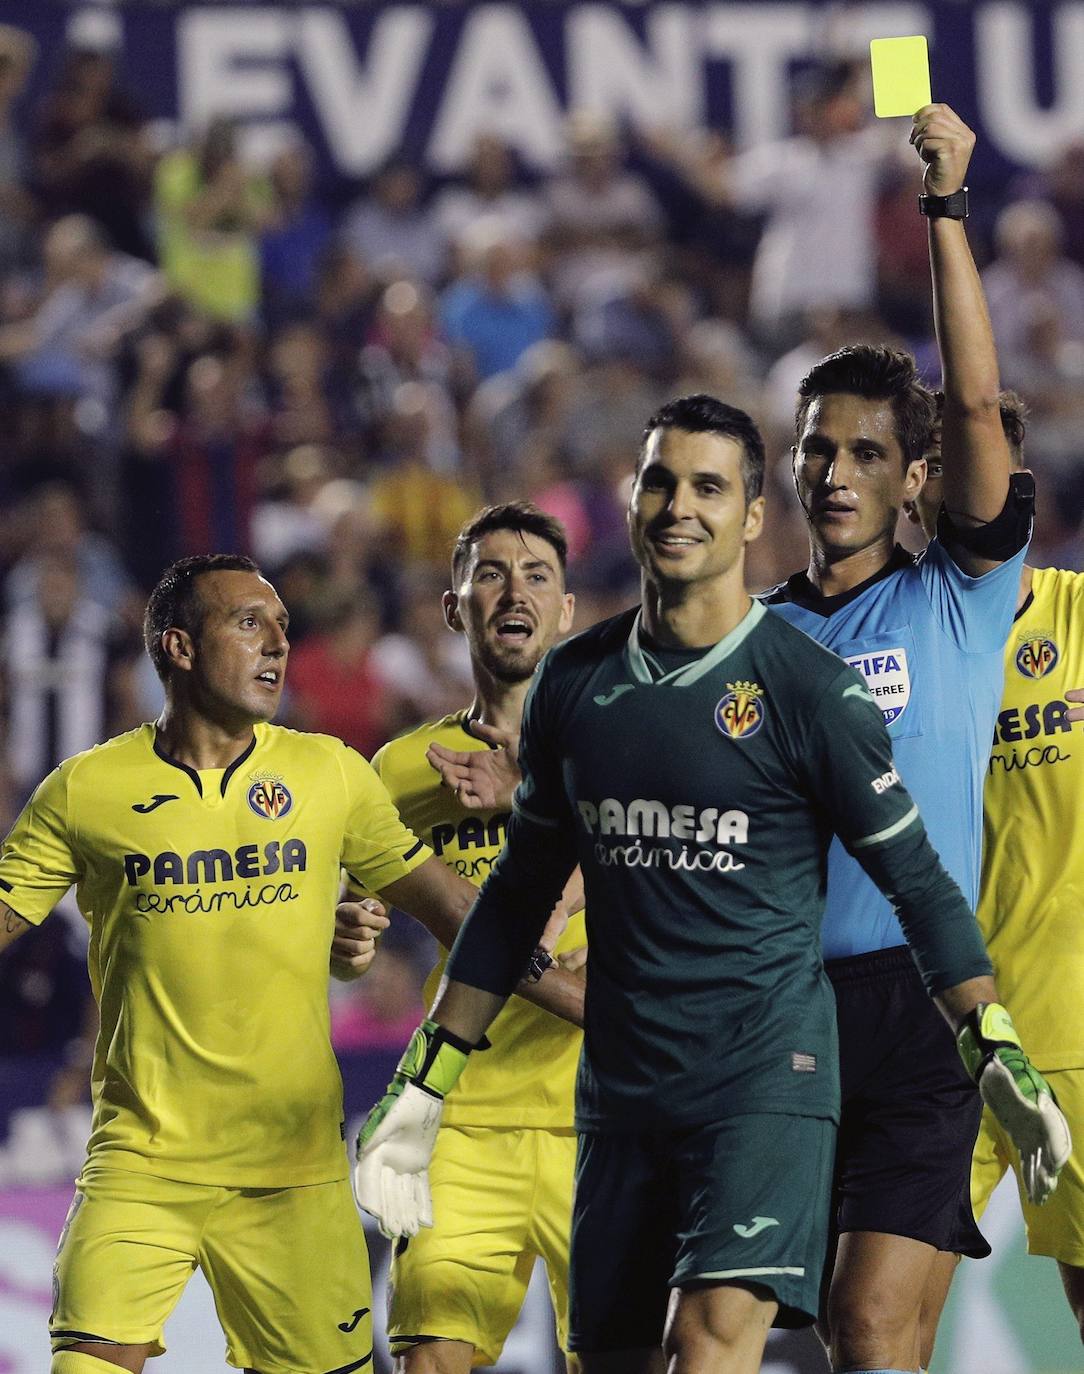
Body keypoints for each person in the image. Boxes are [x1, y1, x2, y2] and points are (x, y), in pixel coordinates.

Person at [352, 393, 1066, 1374]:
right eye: (659, 482)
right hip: (626, 1099)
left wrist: (988, 1043)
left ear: (749, 515)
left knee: (732, 1339)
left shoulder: (804, 679)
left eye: (708, 487)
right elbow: (523, 900)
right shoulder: (588, 686)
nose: (678, 507)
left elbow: (914, 876)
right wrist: (424, 1086)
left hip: (771, 1059)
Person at [0, 552, 583, 1374]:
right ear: (178, 647)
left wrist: (599, 1007)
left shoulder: (329, 775)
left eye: (282, 626)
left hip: (294, 1172)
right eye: (249, 624)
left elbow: (469, 918)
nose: (277, 643)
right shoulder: (86, 790)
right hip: (144, 1162)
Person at [760, 105, 1036, 1374]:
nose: (833, 472)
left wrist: (943, 205)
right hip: (783, 1012)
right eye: (815, 450)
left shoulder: (958, 597)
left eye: (867, 452)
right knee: (849, 1336)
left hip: (926, 1008)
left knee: (872, 1326)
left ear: (914, 477)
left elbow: (975, 399)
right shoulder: (745, 640)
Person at [367, 501, 585, 1371]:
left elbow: (679, 870)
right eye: (491, 574)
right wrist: (349, 934)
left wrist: (528, 797)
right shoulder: (401, 772)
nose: (514, 593)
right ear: (455, 605)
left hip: (604, 1114)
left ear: (567, 610)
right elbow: (355, 922)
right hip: (463, 1119)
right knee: (430, 1361)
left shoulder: (627, 741)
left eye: (537, 576)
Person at [906, 393, 1084, 1359]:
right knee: (881, 1326)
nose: (959, 484)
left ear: (1019, 488)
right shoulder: (876, 643)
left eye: (979, 464)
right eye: (936, 465)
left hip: (1073, 1024)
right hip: (929, 1036)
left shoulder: (1081, 617)